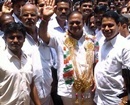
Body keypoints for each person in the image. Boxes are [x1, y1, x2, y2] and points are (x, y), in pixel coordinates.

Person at [39, 0, 95, 104]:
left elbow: (96, 62)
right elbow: (43, 35)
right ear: (67, 24)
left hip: (88, 89)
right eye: (71, 23)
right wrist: (45, 19)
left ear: (83, 23)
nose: (74, 25)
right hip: (67, 90)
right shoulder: (60, 39)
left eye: (78, 22)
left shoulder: (91, 40)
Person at [20, 3, 53, 105]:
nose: (29, 18)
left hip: (48, 94)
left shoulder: (45, 34)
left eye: (32, 15)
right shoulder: (18, 39)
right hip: (29, 97)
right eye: (26, 15)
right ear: (20, 18)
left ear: (38, 17)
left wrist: (46, 19)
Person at [94, 10, 130, 105]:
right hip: (100, 98)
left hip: (116, 100)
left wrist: (126, 98)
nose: (106, 28)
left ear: (118, 25)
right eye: (103, 25)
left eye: (110, 25)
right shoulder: (101, 41)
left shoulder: (125, 46)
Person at [0, 22, 41, 105]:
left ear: (24, 39)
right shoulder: (1, 59)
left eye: (19, 37)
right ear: (5, 39)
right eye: (11, 37)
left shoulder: (28, 59)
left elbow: (31, 85)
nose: (15, 41)